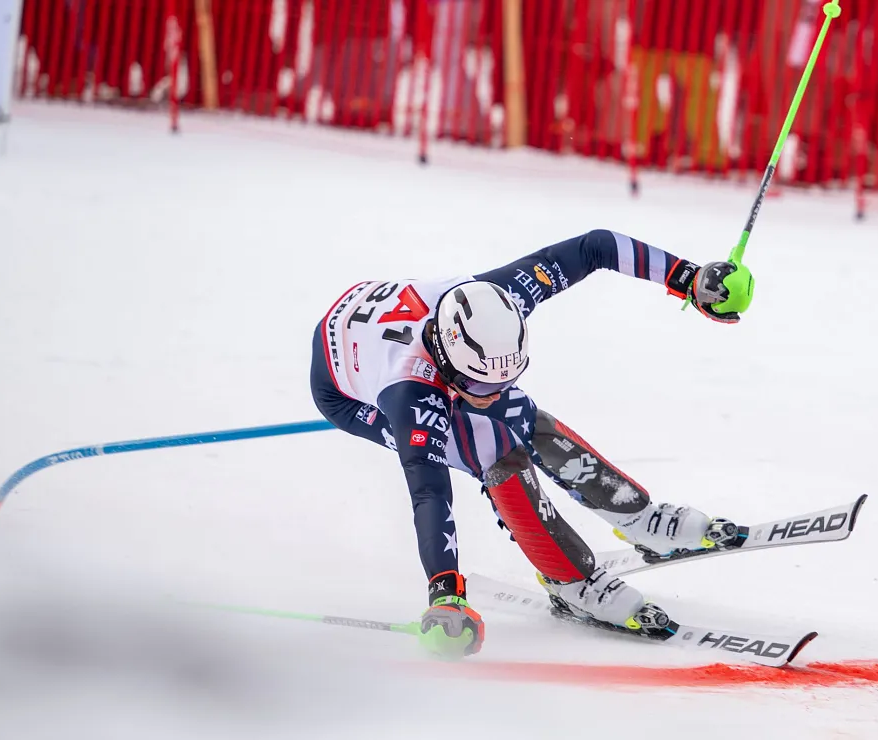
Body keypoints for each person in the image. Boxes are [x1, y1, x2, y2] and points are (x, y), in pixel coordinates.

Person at [310, 229, 754, 657]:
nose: (491, 394)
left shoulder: (499, 297)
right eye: (476, 383)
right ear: (447, 364)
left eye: (505, 378)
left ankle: (637, 516)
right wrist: (446, 596)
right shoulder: (410, 393)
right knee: (490, 446)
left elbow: (597, 246)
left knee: (518, 413)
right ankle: (570, 581)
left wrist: (690, 278)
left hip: (388, 322)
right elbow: (429, 493)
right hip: (343, 389)